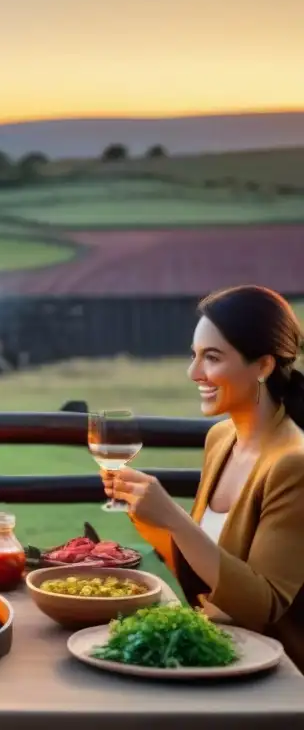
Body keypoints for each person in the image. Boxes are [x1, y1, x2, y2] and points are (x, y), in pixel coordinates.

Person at [104, 285, 304, 669]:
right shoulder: (222, 438)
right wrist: (150, 519)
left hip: (277, 674)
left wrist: (176, 518)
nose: (194, 372)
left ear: (263, 366)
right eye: (194, 356)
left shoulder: (292, 464)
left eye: (211, 357)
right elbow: (205, 575)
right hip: (219, 651)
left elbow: (261, 607)